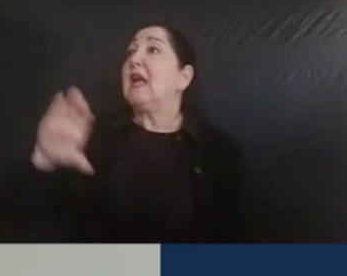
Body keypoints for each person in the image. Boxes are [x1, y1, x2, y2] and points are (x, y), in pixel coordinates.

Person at [32, 24, 246, 243]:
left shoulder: (219, 149)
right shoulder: (94, 137)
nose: (134, 59)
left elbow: (237, 242)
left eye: (153, 49)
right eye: (131, 52)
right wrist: (44, 161)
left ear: (183, 77)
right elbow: (50, 228)